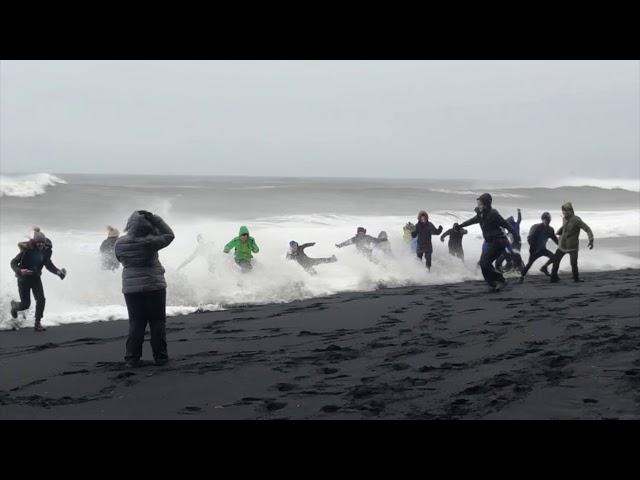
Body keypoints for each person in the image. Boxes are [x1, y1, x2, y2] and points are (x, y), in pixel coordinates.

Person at [114, 210, 174, 368]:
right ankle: (160, 357)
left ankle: (132, 358)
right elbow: (169, 235)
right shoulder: (151, 242)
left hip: (131, 288)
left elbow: (119, 259)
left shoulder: (119, 243)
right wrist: (156, 219)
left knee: (136, 323)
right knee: (157, 322)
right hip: (154, 285)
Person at [456, 193, 521, 292]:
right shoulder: (480, 215)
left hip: (499, 242)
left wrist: (514, 234)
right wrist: (460, 226)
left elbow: (505, 224)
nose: (479, 206)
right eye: (478, 204)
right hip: (490, 242)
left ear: (487, 204)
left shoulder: (493, 213)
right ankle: (493, 283)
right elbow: (470, 221)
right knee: (483, 264)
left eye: (480, 204)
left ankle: (501, 280)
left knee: (485, 263)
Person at [10, 227, 67, 331]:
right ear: (35, 243)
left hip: (36, 278)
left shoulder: (46, 251)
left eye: (42, 243)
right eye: (38, 243)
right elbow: (13, 262)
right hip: (24, 279)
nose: (41, 245)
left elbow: (48, 265)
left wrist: (58, 272)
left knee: (41, 300)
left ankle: (37, 323)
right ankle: (14, 306)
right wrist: (20, 271)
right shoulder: (27, 251)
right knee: (25, 304)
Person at [550, 202, 594, 283]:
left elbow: (587, 229)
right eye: (563, 211)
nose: (564, 213)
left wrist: (591, 240)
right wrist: (559, 233)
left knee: (573, 264)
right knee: (556, 261)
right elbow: (564, 228)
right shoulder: (564, 218)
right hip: (562, 245)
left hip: (572, 246)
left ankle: (576, 279)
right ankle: (553, 277)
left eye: (565, 211)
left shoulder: (576, 220)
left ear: (570, 211)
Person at [520, 212, 558, 282]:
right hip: (534, 250)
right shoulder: (536, 227)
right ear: (542, 219)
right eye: (545, 219)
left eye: (548, 219)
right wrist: (533, 247)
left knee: (555, 258)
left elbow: (555, 239)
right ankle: (521, 277)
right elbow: (529, 238)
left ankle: (547, 270)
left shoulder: (550, 229)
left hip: (543, 249)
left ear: (550, 220)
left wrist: (561, 245)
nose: (547, 221)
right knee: (529, 264)